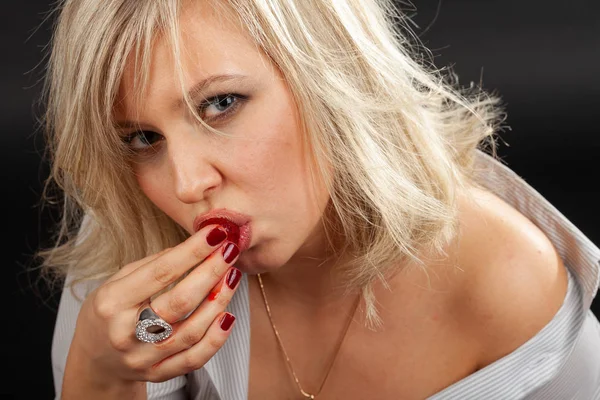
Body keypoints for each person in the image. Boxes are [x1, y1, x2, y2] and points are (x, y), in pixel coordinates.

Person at [37, 0, 600, 399]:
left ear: (332, 73)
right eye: (143, 139)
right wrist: (101, 373)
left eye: (221, 103)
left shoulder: (501, 274)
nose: (186, 184)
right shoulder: (131, 238)